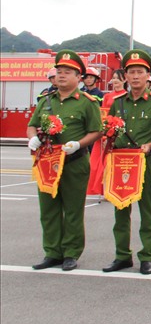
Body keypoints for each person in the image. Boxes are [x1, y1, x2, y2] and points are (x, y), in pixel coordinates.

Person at [102, 50, 151, 276]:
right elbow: (111, 130)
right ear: (125, 76)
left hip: (144, 161)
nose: (135, 76)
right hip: (121, 161)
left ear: (148, 76)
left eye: (139, 72)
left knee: (148, 210)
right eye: (131, 72)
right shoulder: (117, 103)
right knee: (120, 209)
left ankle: (146, 256)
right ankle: (122, 255)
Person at [26, 51, 102, 271]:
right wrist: (32, 137)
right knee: (48, 208)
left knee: (73, 209)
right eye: (59, 72)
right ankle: (52, 252)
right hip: (47, 162)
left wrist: (79, 144)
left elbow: (96, 131)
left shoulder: (87, 102)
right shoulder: (46, 100)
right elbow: (32, 124)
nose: (61, 76)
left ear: (79, 77)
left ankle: (71, 252)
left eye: (67, 72)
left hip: (74, 162)